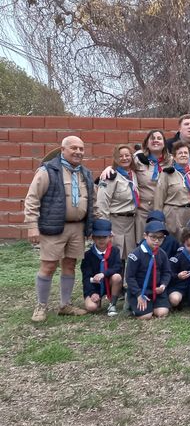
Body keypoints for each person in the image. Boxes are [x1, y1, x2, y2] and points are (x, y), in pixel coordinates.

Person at [25, 135, 93, 322]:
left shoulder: (85, 173)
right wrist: (32, 226)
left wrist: (91, 226)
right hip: (53, 226)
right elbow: (32, 199)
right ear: (62, 150)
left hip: (77, 228)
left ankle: (65, 304)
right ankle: (41, 306)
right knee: (48, 266)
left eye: (81, 148)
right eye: (73, 148)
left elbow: (91, 202)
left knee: (70, 265)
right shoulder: (48, 171)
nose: (78, 151)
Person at [95, 144, 140, 260]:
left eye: (127, 155)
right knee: (115, 257)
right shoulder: (110, 176)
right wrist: (105, 228)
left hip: (131, 223)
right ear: (115, 158)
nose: (125, 158)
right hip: (115, 222)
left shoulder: (133, 175)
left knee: (129, 256)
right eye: (120, 156)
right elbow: (101, 203)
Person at [154, 141, 190, 240]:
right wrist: (158, 219)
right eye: (180, 153)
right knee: (175, 243)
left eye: (186, 153)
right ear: (174, 157)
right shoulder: (167, 174)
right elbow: (159, 197)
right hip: (174, 213)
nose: (183, 155)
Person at [125, 221, 172, 319]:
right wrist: (138, 294)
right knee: (146, 316)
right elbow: (130, 277)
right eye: (153, 237)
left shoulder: (162, 254)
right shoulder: (136, 254)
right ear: (145, 236)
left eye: (160, 238)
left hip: (157, 291)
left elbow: (167, 272)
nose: (157, 241)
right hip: (140, 291)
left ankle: (153, 305)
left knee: (162, 313)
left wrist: (163, 285)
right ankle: (131, 303)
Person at [80, 219, 123, 316]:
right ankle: (97, 299)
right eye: (98, 237)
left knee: (117, 277)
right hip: (95, 286)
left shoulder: (115, 251)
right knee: (92, 307)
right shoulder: (88, 255)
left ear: (110, 237)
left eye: (104, 237)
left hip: (109, 281)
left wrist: (104, 274)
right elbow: (86, 277)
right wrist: (91, 293)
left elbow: (118, 267)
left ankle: (113, 304)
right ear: (93, 237)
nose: (101, 240)